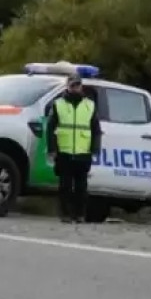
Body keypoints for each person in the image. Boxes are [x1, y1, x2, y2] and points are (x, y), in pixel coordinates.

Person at [44, 73, 101, 223]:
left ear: (81, 86)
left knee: (82, 187)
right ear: (67, 87)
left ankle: (80, 214)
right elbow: (50, 128)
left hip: (83, 152)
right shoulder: (59, 104)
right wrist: (52, 149)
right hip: (65, 151)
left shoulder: (89, 105)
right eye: (72, 85)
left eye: (78, 85)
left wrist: (95, 148)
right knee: (65, 186)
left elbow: (96, 129)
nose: (75, 88)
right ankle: (65, 214)